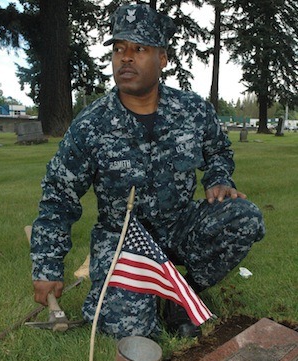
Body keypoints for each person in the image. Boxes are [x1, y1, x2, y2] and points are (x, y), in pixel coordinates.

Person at [30, 4, 265, 339]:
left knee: (244, 217)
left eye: (139, 49)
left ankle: (182, 293)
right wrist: (47, 267)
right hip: (124, 239)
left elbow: (218, 151)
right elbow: (58, 197)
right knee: (133, 332)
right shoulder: (92, 125)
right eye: (119, 49)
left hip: (181, 225)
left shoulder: (193, 111)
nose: (126, 58)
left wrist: (218, 179)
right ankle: (125, 297)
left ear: (163, 58)